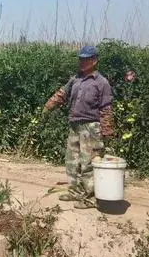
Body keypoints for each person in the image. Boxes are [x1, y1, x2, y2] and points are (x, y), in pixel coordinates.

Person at [43, 45, 115, 209]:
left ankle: (90, 197)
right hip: (75, 125)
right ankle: (75, 192)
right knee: (72, 161)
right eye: (80, 59)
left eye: (85, 59)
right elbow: (62, 93)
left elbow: (106, 108)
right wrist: (48, 106)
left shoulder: (101, 83)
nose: (82, 62)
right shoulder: (75, 79)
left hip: (91, 127)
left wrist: (108, 131)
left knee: (89, 163)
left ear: (95, 60)